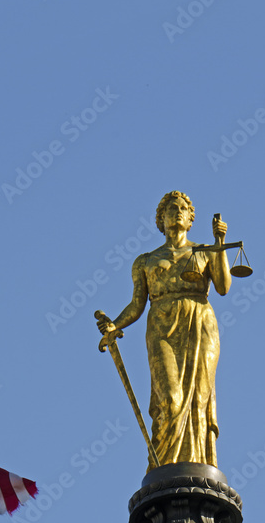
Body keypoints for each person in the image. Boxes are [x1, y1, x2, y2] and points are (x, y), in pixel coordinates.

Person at [96, 191, 231, 470]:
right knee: (170, 399)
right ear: (161, 218)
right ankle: (161, 467)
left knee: (199, 398)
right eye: (171, 209)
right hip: (161, 326)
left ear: (191, 219)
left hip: (199, 324)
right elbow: (136, 304)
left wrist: (219, 243)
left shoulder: (204, 251)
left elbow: (223, 287)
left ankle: (196, 463)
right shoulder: (145, 261)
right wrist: (115, 325)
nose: (178, 212)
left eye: (183, 208)